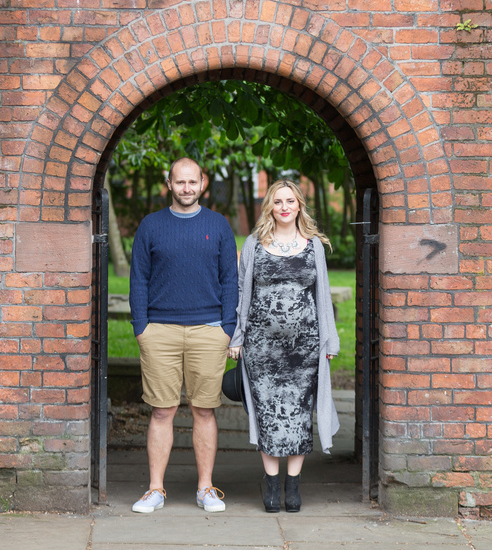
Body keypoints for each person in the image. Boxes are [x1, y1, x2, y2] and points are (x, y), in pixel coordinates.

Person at [129, 157, 238, 514]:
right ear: (169, 183)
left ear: (203, 183)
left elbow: (230, 282)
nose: (186, 188)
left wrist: (226, 330)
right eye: (180, 182)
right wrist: (142, 328)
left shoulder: (218, 225)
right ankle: (155, 490)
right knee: (162, 411)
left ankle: (205, 489)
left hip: (209, 331)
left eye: (192, 182)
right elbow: (139, 280)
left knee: (204, 410)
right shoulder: (150, 226)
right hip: (159, 331)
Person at [228, 179, 340, 513]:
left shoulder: (313, 245)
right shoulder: (254, 243)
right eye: (278, 202)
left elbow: (323, 295)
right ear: (270, 207)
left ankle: (293, 486)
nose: (285, 207)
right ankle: (272, 485)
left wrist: (328, 340)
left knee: (299, 416)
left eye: (290, 201)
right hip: (262, 349)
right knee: (267, 416)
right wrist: (238, 337)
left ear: (299, 205)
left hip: (304, 350)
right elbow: (241, 292)